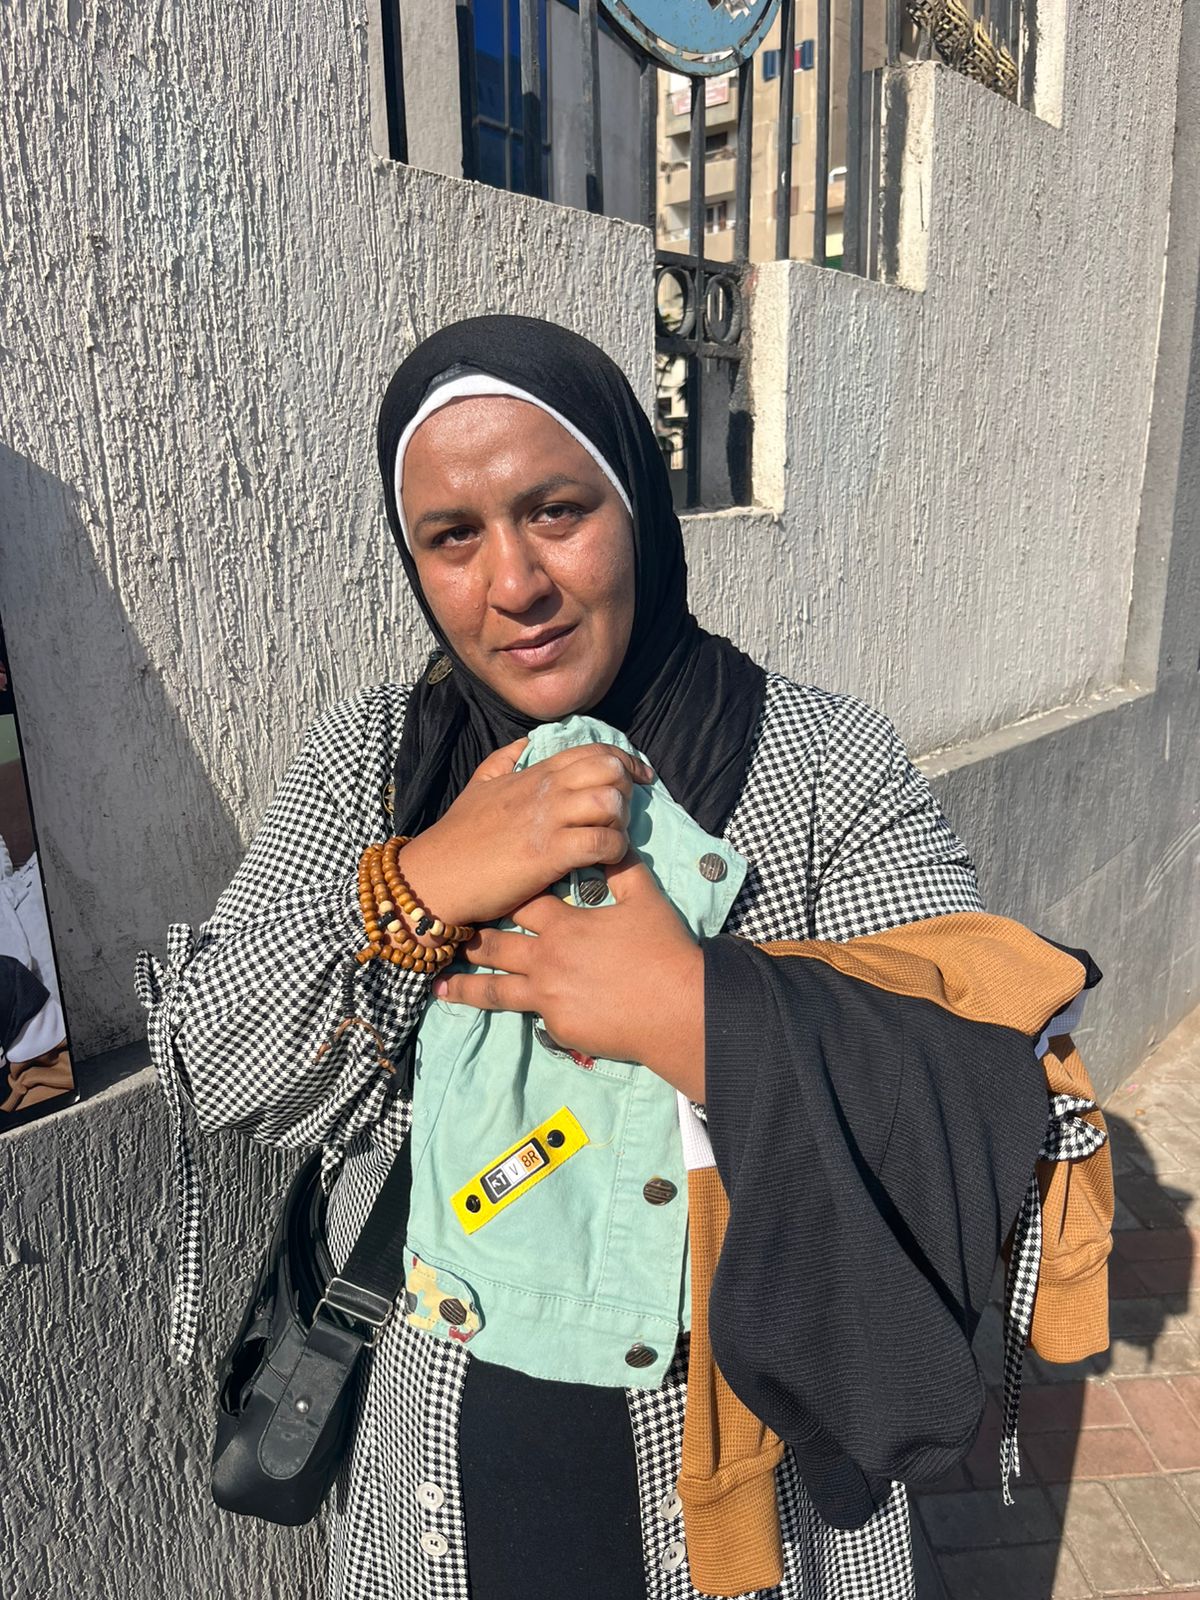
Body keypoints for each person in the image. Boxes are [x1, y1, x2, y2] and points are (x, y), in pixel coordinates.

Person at [138, 316, 1108, 1600]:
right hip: (438, 1475)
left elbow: (989, 1111)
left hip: (739, 1494)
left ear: (639, 505)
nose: (514, 584)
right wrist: (426, 878)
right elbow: (212, 1064)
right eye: (452, 536)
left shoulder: (820, 767)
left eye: (555, 511)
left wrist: (700, 1013)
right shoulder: (377, 760)